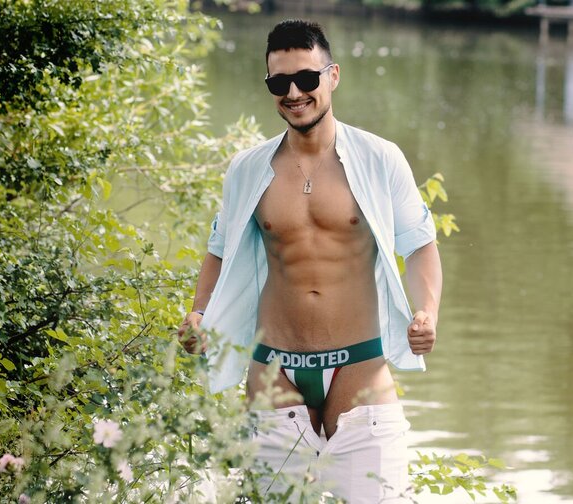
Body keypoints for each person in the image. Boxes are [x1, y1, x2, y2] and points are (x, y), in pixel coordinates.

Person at [177, 19, 442, 503]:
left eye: (306, 78)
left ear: (332, 76)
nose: (294, 93)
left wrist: (427, 312)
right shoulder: (247, 169)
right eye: (279, 83)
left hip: (358, 365)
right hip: (273, 370)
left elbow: (420, 244)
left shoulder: (380, 158)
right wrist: (199, 312)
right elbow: (220, 248)